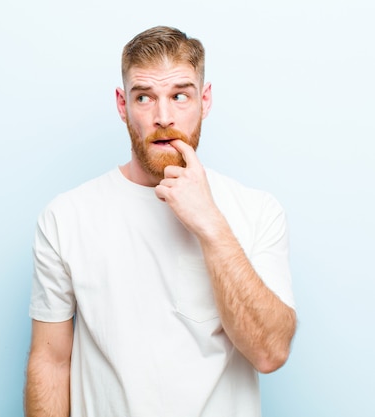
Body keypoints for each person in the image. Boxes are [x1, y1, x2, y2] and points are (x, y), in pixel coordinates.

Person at [24, 26, 297, 417]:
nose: (163, 116)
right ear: (122, 105)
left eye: (180, 96)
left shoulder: (256, 211)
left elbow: (270, 352)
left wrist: (209, 223)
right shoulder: (66, 217)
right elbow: (51, 363)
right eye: (144, 97)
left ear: (204, 100)